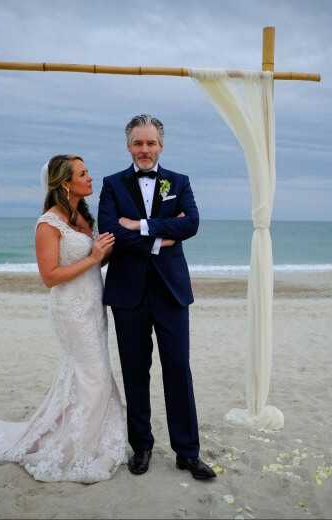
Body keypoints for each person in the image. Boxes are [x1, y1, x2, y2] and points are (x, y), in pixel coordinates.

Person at [0, 154, 127, 483]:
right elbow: (50, 276)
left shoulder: (81, 216)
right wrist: (94, 256)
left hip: (93, 303)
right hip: (71, 309)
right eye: (83, 173)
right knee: (94, 375)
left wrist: (103, 257)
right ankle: (80, 447)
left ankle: (85, 437)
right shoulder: (48, 224)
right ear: (66, 183)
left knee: (87, 375)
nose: (91, 178)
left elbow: (90, 266)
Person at [97, 114, 216, 480]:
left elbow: (191, 224)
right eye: (138, 143)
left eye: (150, 143)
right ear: (128, 145)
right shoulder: (112, 185)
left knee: (178, 370)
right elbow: (110, 231)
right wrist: (161, 239)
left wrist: (143, 225)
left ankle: (187, 452)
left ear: (161, 145)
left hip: (171, 293)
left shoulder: (179, 182)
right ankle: (142, 447)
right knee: (135, 373)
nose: (144, 150)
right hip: (127, 294)